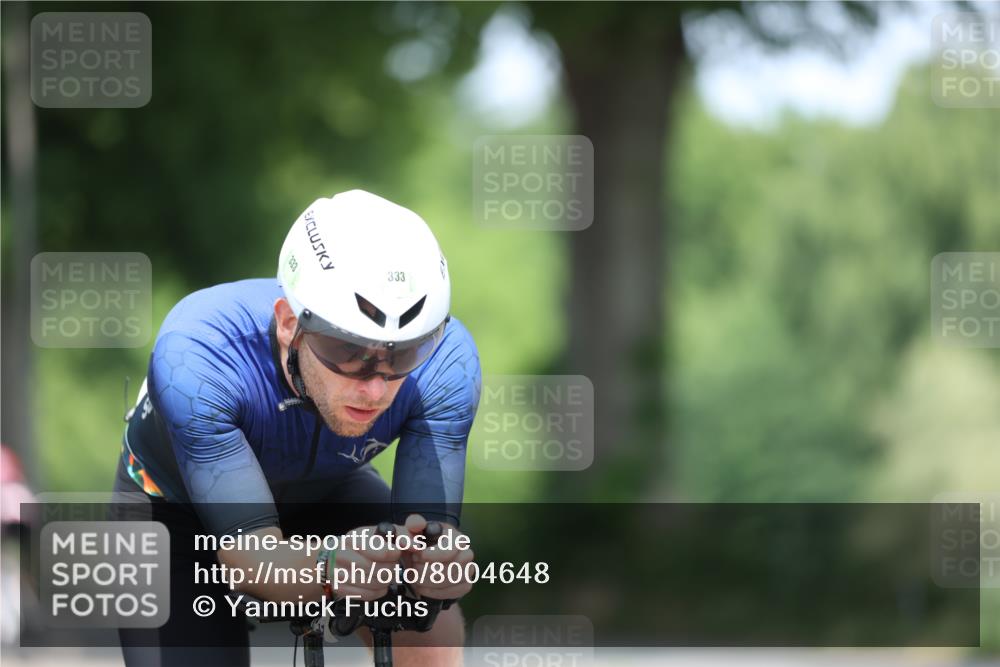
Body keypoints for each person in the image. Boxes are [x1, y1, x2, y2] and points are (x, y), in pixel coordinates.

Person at [113, 190, 481, 667]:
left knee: (432, 632)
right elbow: (250, 559)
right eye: (346, 351)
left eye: (404, 354)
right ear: (289, 324)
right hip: (173, 507)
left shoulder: (448, 363)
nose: (373, 388)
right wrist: (330, 567)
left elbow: (429, 548)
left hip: (324, 487)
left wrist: (439, 569)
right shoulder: (198, 354)